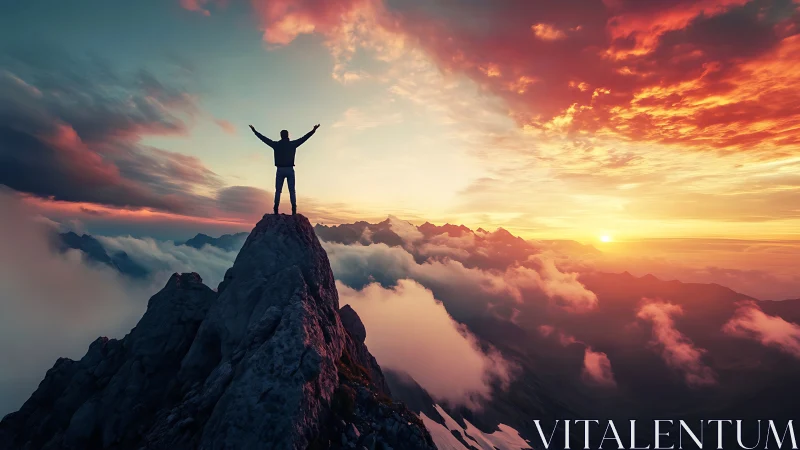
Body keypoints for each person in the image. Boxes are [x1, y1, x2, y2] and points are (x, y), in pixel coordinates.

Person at [249, 124, 320, 215]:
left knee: (278, 190)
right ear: (288, 135)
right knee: (292, 190)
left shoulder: (276, 145)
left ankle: (276, 208)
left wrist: (255, 131)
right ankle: (294, 209)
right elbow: (304, 138)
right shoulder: (292, 144)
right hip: (290, 169)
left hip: (280, 170)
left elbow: (264, 139)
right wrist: (313, 130)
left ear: (281, 136)